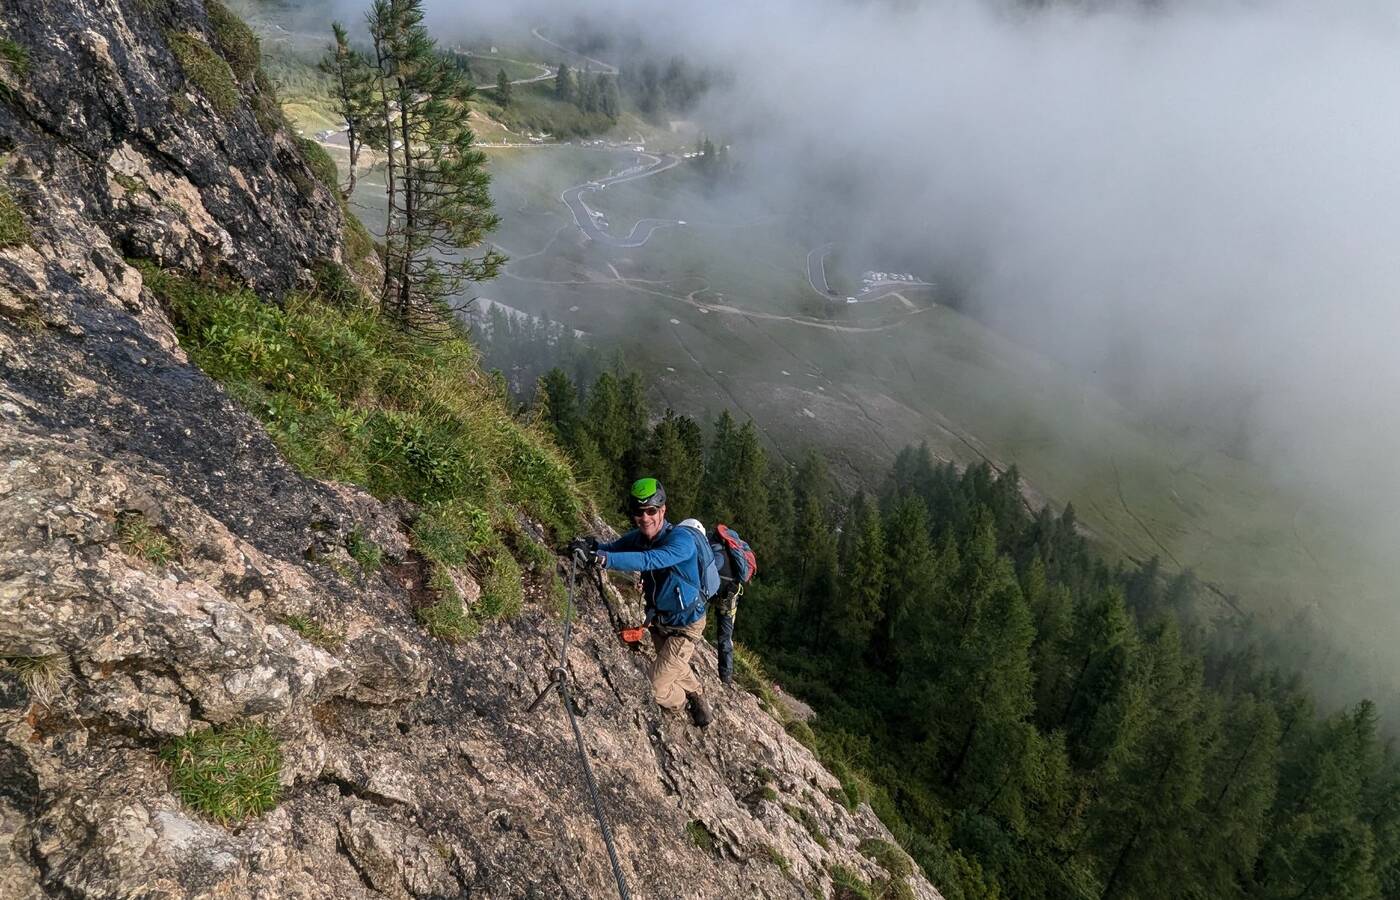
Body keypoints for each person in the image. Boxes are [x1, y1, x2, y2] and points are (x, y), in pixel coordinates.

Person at [571, 477, 713, 728]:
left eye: (651, 511)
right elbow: (612, 548)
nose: (645, 518)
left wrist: (600, 560)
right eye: (639, 512)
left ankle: (683, 703)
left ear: (663, 510)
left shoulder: (682, 542)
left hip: (686, 625)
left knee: (657, 687)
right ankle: (696, 691)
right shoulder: (641, 537)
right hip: (661, 619)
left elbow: (649, 561)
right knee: (672, 664)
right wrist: (592, 547)